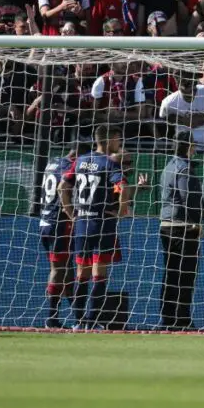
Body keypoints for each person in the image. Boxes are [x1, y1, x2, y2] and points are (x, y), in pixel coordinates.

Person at [59, 125, 145, 331]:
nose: (120, 144)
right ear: (111, 139)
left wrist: (70, 211)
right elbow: (122, 187)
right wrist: (122, 210)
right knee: (99, 274)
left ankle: (78, 322)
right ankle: (90, 321)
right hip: (102, 223)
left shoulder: (80, 161)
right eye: (118, 139)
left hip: (81, 224)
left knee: (81, 274)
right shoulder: (109, 163)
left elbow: (63, 186)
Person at [160, 136, 204, 330]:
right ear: (189, 146)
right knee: (185, 274)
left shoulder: (168, 166)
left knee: (171, 273)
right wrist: (198, 221)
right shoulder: (184, 168)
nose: (195, 149)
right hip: (183, 226)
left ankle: (168, 318)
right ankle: (182, 320)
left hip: (167, 224)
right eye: (194, 146)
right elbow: (187, 198)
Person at [39, 141, 88, 328]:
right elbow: (63, 188)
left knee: (66, 270)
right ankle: (52, 318)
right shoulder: (69, 167)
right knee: (59, 269)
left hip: (44, 220)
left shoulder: (52, 163)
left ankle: (80, 319)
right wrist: (71, 214)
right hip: (58, 223)